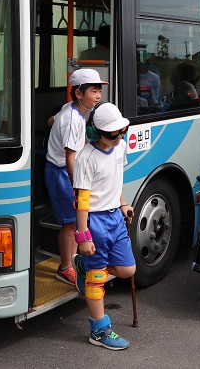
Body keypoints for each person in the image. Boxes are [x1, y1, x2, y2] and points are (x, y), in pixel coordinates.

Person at [71, 102, 136, 350]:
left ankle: (85, 268)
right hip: (94, 221)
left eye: (122, 131)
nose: (119, 136)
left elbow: (115, 180)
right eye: (112, 133)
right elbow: (81, 201)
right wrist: (83, 236)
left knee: (128, 269)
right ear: (97, 132)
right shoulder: (85, 157)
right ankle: (99, 330)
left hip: (115, 218)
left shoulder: (118, 149)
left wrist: (122, 204)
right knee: (97, 279)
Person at [44, 69, 105, 285]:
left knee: (71, 221)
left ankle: (70, 261)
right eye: (94, 91)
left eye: (99, 91)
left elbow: (51, 121)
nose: (98, 96)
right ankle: (65, 268)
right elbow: (71, 157)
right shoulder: (74, 120)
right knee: (69, 225)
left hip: (58, 169)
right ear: (79, 94)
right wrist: (76, 185)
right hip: (61, 172)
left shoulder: (69, 110)